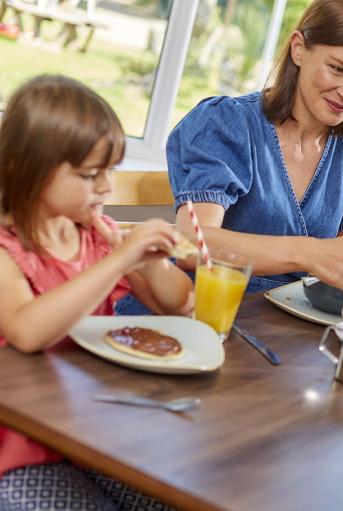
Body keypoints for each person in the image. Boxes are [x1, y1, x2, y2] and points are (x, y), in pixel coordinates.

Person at [116, 0, 343, 316]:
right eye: (338, 69)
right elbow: (191, 244)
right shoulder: (227, 124)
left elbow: (336, 247)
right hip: (190, 314)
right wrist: (311, 253)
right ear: (299, 49)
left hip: (282, 329)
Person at [0, 76, 190, 509]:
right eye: (90, 175)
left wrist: (148, 257)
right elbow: (27, 331)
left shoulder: (95, 237)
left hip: (89, 435)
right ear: (24, 167)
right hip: (18, 450)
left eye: (111, 172)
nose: (106, 187)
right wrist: (117, 262)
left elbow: (180, 303)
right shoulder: (7, 250)